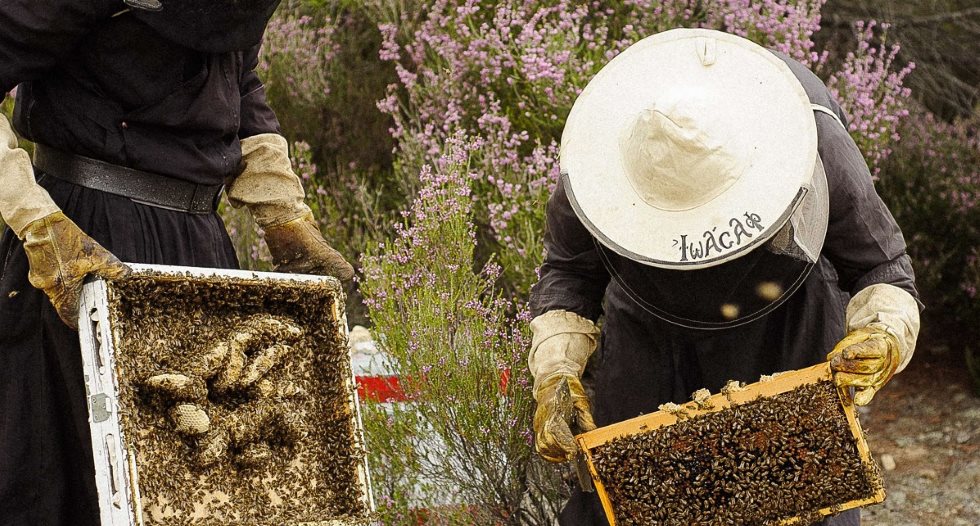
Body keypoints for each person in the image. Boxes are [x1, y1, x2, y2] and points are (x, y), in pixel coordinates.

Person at [527, 28, 920, 526]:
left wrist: (882, 334)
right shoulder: (593, 160)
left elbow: (880, 265)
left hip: (785, 320)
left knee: (803, 496)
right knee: (625, 505)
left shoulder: (811, 131)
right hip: (651, 332)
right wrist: (557, 371)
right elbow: (568, 271)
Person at [0, 1, 354, 524]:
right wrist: (37, 223)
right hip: (90, 241)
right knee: (89, 484)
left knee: (205, 486)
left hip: (201, 248)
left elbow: (239, 81)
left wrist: (284, 214)